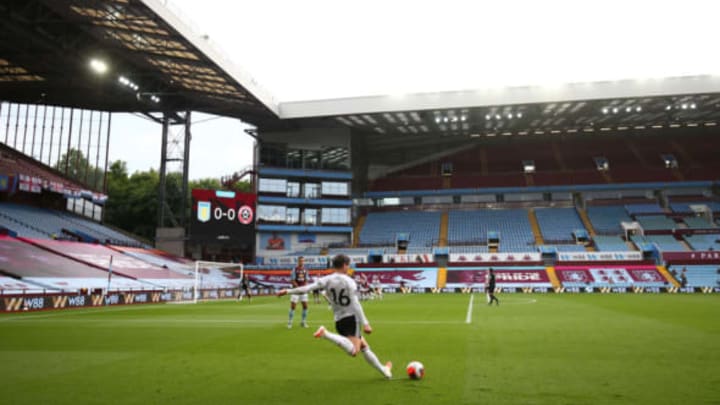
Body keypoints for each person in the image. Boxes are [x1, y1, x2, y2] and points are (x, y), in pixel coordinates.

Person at [277, 254, 392, 379]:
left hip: (338, 320)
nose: (348, 268)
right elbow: (356, 303)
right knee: (354, 351)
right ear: (344, 265)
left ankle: (384, 370)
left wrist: (288, 291)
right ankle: (325, 334)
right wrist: (365, 323)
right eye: (348, 265)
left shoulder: (327, 279)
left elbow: (307, 288)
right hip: (352, 318)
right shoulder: (349, 281)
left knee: (364, 346)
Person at [287, 256, 309, 328]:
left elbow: (306, 279)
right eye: (300, 261)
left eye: (302, 261)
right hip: (296, 290)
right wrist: (298, 287)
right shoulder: (294, 269)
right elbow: (292, 280)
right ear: (298, 261)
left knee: (305, 306)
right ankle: (290, 322)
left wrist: (304, 287)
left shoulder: (305, 269)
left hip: (303, 290)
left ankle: (303, 322)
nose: (301, 262)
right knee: (293, 306)